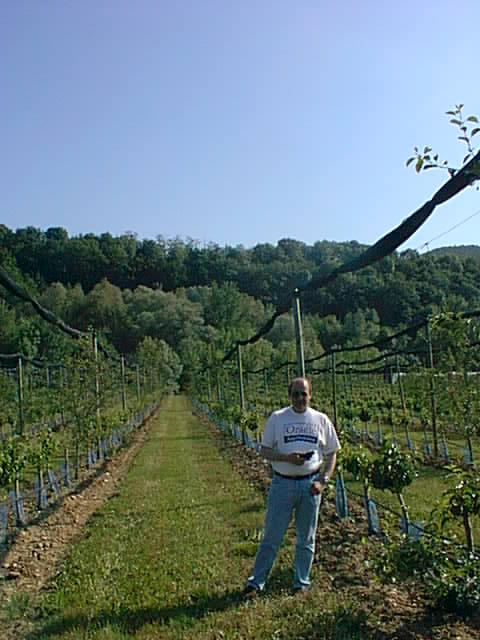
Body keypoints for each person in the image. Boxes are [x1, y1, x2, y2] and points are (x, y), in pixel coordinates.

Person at [244, 376, 340, 597]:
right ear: (289, 396)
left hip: (310, 485)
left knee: (306, 538)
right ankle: (256, 583)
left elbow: (332, 452)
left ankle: (301, 583)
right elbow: (265, 450)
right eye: (295, 394)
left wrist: (323, 480)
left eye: (303, 394)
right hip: (283, 485)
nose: (299, 398)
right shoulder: (277, 419)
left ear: (310, 395)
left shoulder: (320, 420)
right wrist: (286, 458)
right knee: (271, 536)